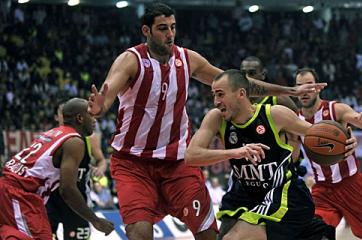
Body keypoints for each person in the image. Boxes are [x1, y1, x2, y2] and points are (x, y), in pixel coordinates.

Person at [87, 3, 325, 240]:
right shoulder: (130, 60)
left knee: (209, 234)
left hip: (176, 161)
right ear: (146, 31)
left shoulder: (187, 59)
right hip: (133, 162)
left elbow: (238, 83)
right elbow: (104, 99)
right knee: (140, 234)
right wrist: (99, 108)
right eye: (162, 28)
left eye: (173, 27)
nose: (170, 34)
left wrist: (290, 91)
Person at [185, 70, 357, 240]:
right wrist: (236, 152)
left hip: (284, 195)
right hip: (246, 195)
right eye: (214, 95)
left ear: (241, 94)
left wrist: (345, 141)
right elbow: (191, 155)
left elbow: (316, 133)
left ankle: (312, 231)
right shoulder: (216, 118)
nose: (216, 102)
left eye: (221, 95)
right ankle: (314, 232)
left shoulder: (274, 115)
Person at [295, 68, 362, 240]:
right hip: (322, 190)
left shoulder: (336, 109)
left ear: (318, 88)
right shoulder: (294, 119)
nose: (304, 91)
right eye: (299, 86)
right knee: (314, 233)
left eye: (309, 86)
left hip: (352, 185)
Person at [0, 98, 114, 239]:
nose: (94, 120)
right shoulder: (74, 141)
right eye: (90, 115)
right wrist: (95, 220)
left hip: (15, 190)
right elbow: (67, 189)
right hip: (19, 194)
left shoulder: (53, 133)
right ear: (80, 118)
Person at [46, 102, 108, 240]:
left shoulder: (89, 139)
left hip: (78, 203)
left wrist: (99, 169)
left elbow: (102, 160)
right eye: (63, 115)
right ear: (57, 117)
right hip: (52, 201)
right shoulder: (50, 137)